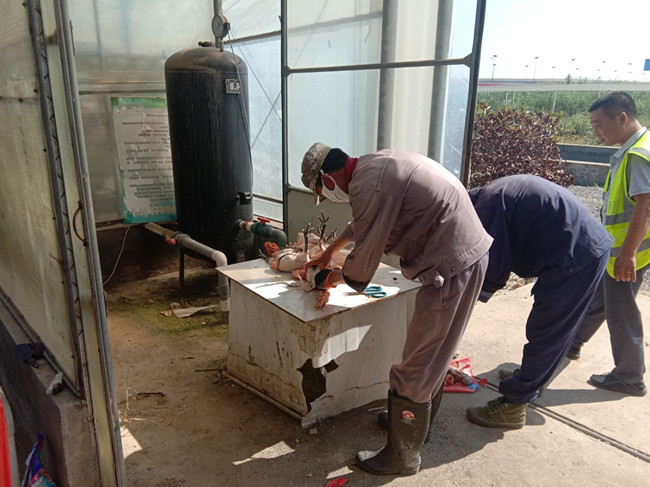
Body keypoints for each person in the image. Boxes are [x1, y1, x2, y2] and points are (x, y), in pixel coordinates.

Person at [300, 143, 492, 476]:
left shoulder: (367, 186)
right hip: (462, 254)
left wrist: (327, 278)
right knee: (434, 353)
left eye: (321, 191)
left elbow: (361, 269)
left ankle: (402, 456)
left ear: (327, 179)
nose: (326, 196)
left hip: (451, 266)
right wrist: (329, 251)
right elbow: (363, 224)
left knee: (417, 365)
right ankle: (415, 427)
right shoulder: (373, 166)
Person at [466, 175, 613, 428]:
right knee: (554, 330)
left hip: (575, 257)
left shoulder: (487, 207)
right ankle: (532, 377)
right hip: (582, 247)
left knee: (547, 331)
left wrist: (468, 300)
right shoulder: (492, 195)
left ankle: (514, 406)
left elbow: (493, 267)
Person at [567, 92, 650, 397]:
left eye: (599, 124)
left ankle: (629, 376)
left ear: (622, 118)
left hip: (627, 253)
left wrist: (627, 254)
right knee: (602, 299)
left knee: (621, 311)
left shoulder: (638, 155)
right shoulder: (639, 147)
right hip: (625, 250)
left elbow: (646, 207)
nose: (596, 132)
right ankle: (571, 342)